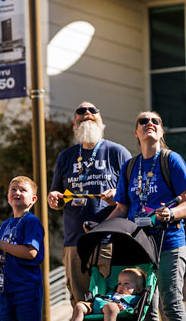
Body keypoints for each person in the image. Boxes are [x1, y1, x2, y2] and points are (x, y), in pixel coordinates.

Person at [107, 111, 186, 321]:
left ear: (161, 131)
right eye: (143, 122)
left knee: (172, 301)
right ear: (136, 132)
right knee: (146, 305)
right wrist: (99, 226)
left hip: (169, 243)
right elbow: (122, 208)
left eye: (155, 121)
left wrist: (172, 213)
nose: (149, 124)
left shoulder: (171, 160)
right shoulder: (130, 166)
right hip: (140, 246)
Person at [48, 102, 131, 305]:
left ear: (101, 121)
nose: (87, 113)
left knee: (113, 301)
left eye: (92, 111)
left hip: (109, 240)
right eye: (81, 112)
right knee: (81, 303)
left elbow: (134, 195)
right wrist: (55, 199)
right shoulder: (65, 157)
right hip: (75, 243)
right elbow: (57, 198)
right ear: (74, 124)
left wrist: (117, 194)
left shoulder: (118, 152)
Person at [0, 176, 44, 321]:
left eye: (23, 190)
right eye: (13, 189)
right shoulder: (6, 225)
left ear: (33, 199)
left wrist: (0, 245)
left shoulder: (31, 222)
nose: (17, 193)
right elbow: (6, 250)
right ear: (8, 197)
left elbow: (31, 252)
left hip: (26, 287)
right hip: (6, 289)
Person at [63, 267, 146, 321]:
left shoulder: (133, 298)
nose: (121, 286)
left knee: (111, 307)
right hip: (97, 306)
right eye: (119, 283)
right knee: (79, 306)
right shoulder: (111, 293)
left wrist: (123, 308)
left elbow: (131, 309)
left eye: (126, 283)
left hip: (112, 309)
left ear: (138, 289)